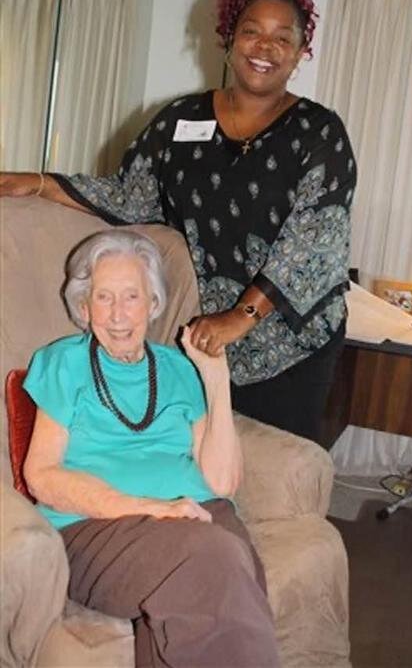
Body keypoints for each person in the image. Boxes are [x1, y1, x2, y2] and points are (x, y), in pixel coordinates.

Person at [1, 0, 357, 443]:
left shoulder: (320, 132)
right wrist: (43, 183)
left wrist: (239, 318)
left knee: (278, 459)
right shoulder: (180, 120)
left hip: (291, 340)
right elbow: (130, 196)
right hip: (204, 331)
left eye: (282, 37)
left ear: (300, 52)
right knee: (201, 454)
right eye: (252, 30)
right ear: (229, 39)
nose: (264, 47)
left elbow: (312, 243)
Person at [22, 229, 279, 668]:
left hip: (199, 513)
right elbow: (41, 475)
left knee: (229, 570)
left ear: (153, 304)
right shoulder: (62, 363)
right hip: (97, 528)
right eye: (103, 297)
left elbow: (223, 481)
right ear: (83, 307)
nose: (118, 314)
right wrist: (150, 507)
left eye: (131, 297)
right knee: (216, 559)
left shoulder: (180, 368)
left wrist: (216, 379)